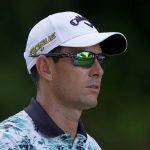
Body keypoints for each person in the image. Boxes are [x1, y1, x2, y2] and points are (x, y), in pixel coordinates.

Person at [0, 11, 127, 149]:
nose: (99, 71)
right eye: (84, 57)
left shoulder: (92, 147)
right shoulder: (8, 142)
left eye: (100, 59)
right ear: (45, 68)